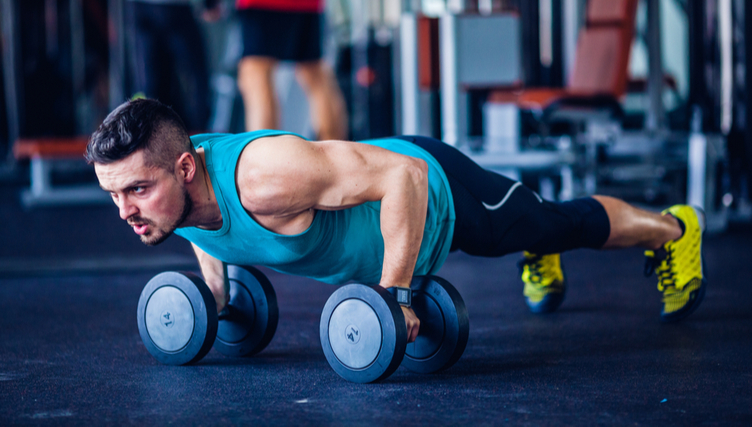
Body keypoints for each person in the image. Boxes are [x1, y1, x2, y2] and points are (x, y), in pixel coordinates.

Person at [86, 99, 707, 342]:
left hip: (431, 187)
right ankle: (539, 249)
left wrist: (396, 296)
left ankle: (676, 229)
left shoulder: (264, 176)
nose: (126, 212)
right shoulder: (174, 203)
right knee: (540, 229)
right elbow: (202, 226)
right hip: (387, 196)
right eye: (114, 195)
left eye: (136, 190)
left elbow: (400, 180)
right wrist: (217, 295)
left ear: (188, 169)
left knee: (553, 225)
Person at [232, 0, 348, 139]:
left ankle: (265, 157)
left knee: (256, 72)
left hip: (261, 4)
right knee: (315, 73)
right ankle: (336, 154)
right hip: (307, 5)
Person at [125, 0, 221, 132]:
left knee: (153, 84)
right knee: (195, 77)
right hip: (174, 7)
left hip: (140, 7)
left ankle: (159, 135)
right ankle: (198, 137)